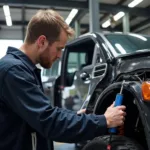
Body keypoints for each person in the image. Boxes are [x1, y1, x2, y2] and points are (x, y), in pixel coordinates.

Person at [0, 9, 126, 150]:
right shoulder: (13, 71)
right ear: (42, 41)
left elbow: (42, 114)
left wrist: (77, 117)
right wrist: (104, 121)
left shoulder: (22, 69)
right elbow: (48, 122)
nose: (60, 55)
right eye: (59, 48)